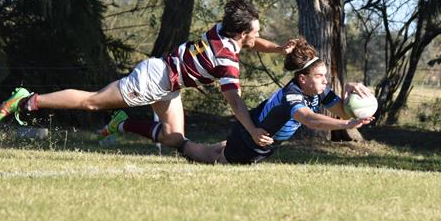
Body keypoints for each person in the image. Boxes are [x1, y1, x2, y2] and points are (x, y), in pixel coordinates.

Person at [0, 0, 295, 152]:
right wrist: (252, 130)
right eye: (255, 30)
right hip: (153, 79)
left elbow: (254, 44)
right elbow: (236, 103)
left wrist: (280, 49)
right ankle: (29, 100)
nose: (258, 35)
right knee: (92, 101)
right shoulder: (226, 60)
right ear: (242, 32)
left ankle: (122, 125)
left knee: (173, 139)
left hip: (167, 84)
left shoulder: (221, 31)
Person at [101, 38, 375, 164]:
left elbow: (338, 106)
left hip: (253, 129)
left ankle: (128, 125)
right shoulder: (294, 96)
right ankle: (139, 130)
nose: (326, 81)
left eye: (326, 77)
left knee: (215, 147)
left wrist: (351, 94)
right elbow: (310, 119)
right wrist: (348, 122)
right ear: (302, 78)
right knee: (207, 155)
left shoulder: (318, 90)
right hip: (251, 142)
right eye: (320, 76)